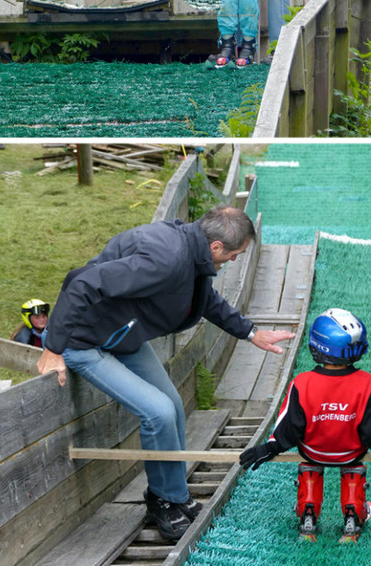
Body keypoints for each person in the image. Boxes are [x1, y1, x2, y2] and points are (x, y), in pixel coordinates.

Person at [37, 205, 295, 543]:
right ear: (217, 246)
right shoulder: (166, 258)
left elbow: (206, 301)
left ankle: (174, 495)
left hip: (121, 336)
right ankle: (162, 501)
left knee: (171, 405)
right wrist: (54, 347)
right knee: (157, 412)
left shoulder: (193, 251)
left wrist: (251, 332)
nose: (235, 260)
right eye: (236, 254)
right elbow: (82, 281)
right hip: (85, 342)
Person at [239, 308, 371, 541]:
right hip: (350, 453)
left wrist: (269, 448)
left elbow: (289, 427)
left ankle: (308, 514)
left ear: (317, 347)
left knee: (309, 462)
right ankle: (353, 516)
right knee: (354, 465)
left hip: (313, 453)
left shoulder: (302, 383)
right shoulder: (366, 383)